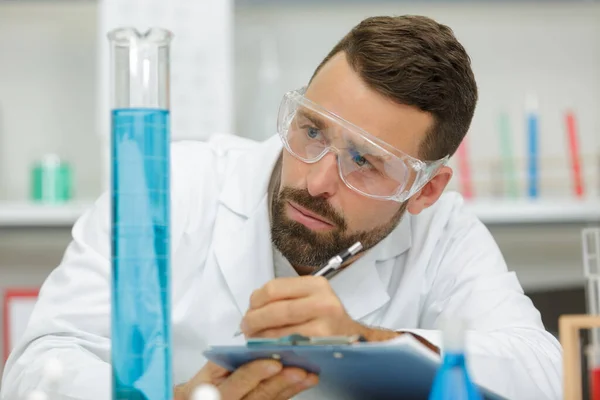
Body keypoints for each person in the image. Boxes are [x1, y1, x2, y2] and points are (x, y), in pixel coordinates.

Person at [1, 15, 561, 400]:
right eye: (312, 130)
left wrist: (363, 343)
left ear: (424, 191)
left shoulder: (445, 233)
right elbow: (40, 366)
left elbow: (545, 374)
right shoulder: (174, 184)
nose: (318, 179)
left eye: (366, 162)